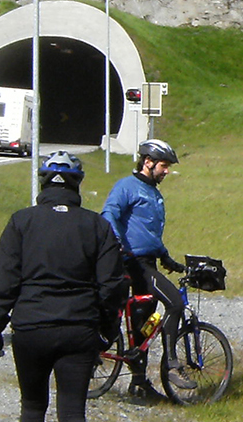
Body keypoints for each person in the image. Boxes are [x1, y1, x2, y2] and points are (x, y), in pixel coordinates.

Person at [0, 151, 129, 422]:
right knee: (73, 411)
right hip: (78, 327)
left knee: (32, 406)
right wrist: (107, 330)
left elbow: (4, 282)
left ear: (43, 183)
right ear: (77, 184)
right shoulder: (97, 225)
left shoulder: (21, 222)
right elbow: (112, 285)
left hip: (31, 327)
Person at [100, 138, 185, 402]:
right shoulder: (127, 186)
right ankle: (172, 363)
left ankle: (138, 384)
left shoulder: (153, 193)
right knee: (174, 303)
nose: (167, 171)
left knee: (143, 327)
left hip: (149, 261)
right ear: (147, 163)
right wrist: (117, 242)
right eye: (163, 165)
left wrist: (167, 259)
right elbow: (109, 213)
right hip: (133, 264)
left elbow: (148, 234)